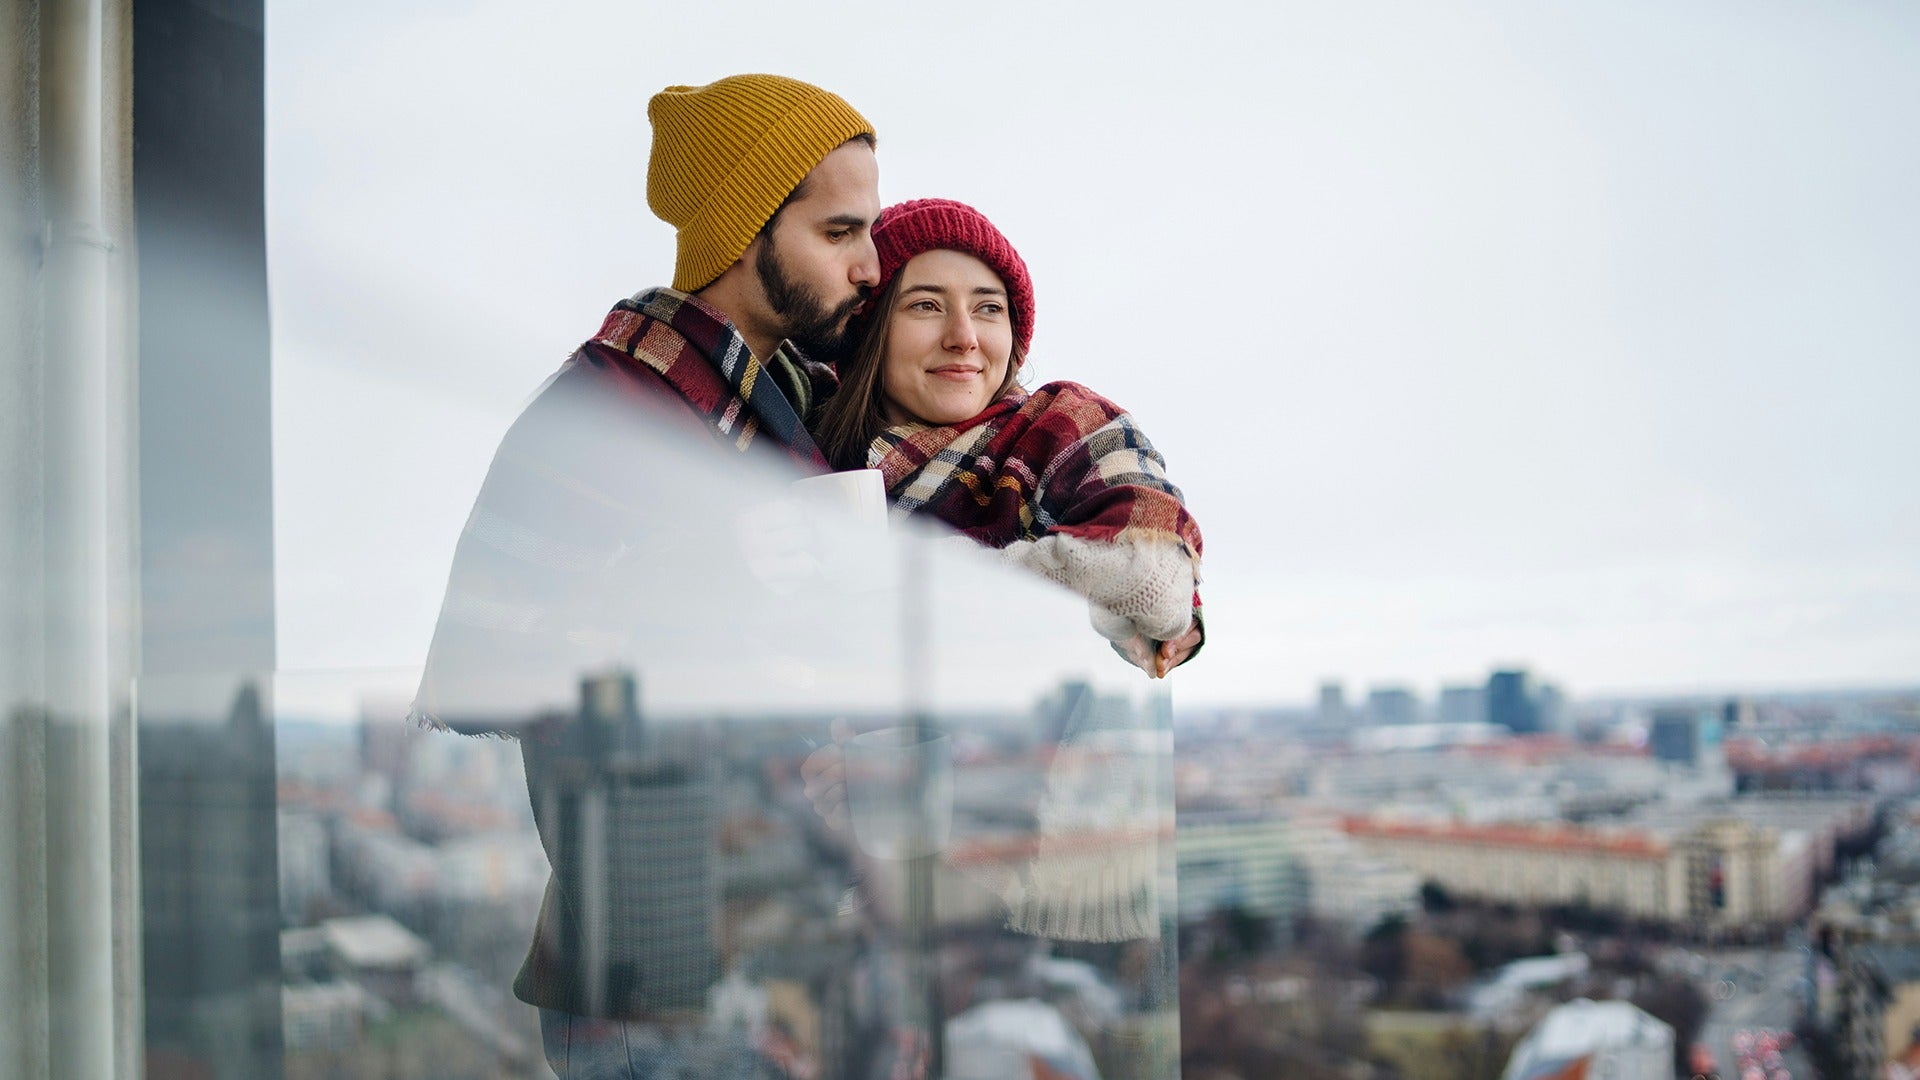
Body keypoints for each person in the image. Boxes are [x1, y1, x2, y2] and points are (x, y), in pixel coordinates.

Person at [409, 73, 881, 1079]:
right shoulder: (603, 415)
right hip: (647, 989)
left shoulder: (783, 408)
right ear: (749, 226)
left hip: (760, 953)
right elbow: (478, 669)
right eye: (841, 233)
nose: (871, 265)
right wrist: (702, 573)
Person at [811, 198, 1205, 676]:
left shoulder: (1064, 426)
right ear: (868, 331)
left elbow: (1151, 577)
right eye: (926, 305)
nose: (964, 336)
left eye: (988, 308)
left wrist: (916, 574)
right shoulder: (805, 438)